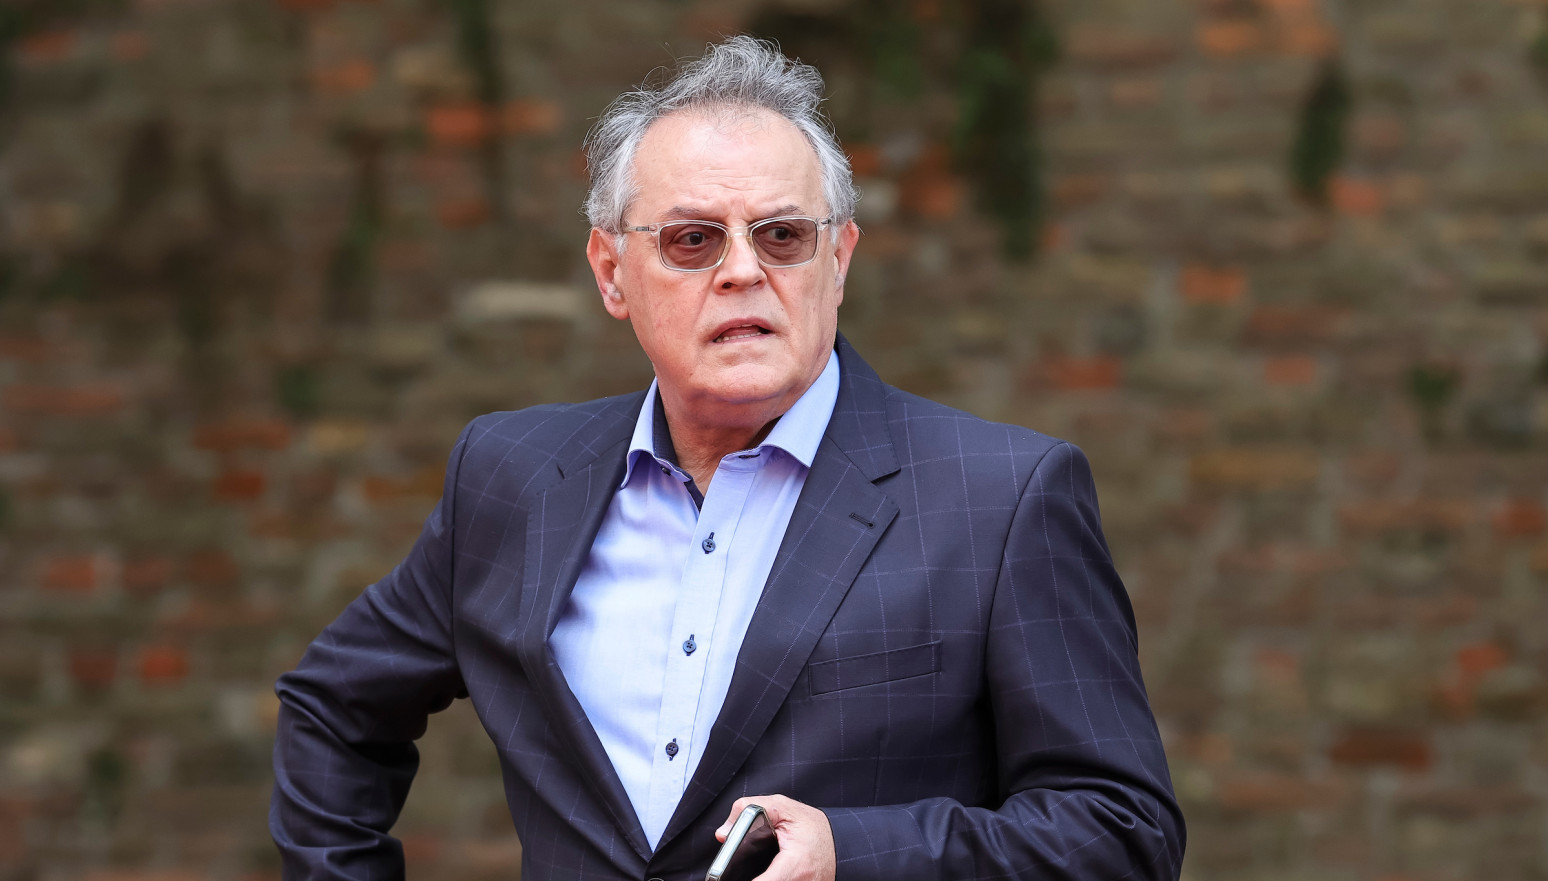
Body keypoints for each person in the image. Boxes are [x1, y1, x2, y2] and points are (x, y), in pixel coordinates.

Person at [270, 36, 1185, 881]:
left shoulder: (1002, 497)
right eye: (692, 239)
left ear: (839, 259)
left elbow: (1121, 829)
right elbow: (333, 707)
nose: (743, 270)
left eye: (783, 235)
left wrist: (855, 853)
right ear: (611, 272)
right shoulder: (511, 478)